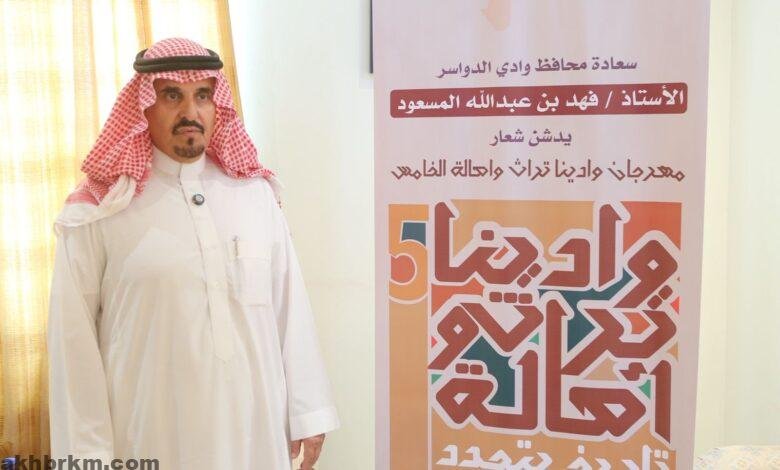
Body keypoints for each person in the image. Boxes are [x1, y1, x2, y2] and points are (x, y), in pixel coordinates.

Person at [47, 38, 339, 470]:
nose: (190, 112)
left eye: (203, 95)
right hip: (150, 435)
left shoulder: (254, 194)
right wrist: (85, 457)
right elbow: (72, 346)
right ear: (143, 108)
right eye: (172, 96)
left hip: (255, 432)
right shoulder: (100, 210)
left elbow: (289, 305)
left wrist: (308, 411)